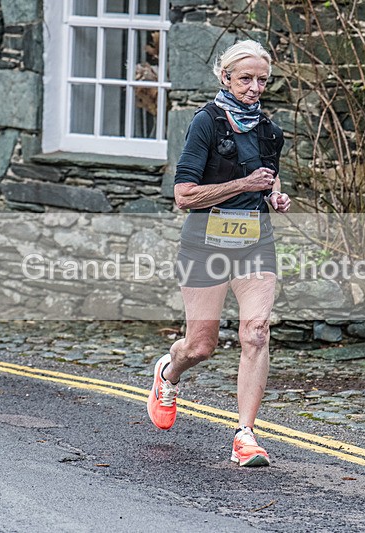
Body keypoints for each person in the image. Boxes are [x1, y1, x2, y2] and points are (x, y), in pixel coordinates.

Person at [146, 39, 290, 467]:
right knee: (201, 347)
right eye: (245, 78)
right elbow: (184, 196)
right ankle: (169, 374)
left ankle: (245, 436)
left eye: (262, 80)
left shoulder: (269, 130)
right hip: (205, 243)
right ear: (225, 77)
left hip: (254, 243)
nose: (254, 87)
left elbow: (270, 180)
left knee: (257, 331)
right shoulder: (205, 124)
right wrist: (241, 186)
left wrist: (276, 198)